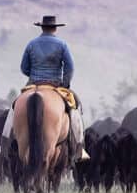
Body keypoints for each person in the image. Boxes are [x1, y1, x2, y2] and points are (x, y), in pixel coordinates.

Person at [18, 15, 86, 161]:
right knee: (75, 108)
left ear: (41, 27)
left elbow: (24, 68)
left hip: (33, 84)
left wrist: (35, 74)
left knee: (14, 108)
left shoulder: (31, 44)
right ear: (55, 28)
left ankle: (5, 143)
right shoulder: (62, 45)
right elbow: (70, 67)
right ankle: (79, 147)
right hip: (55, 85)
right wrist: (65, 83)